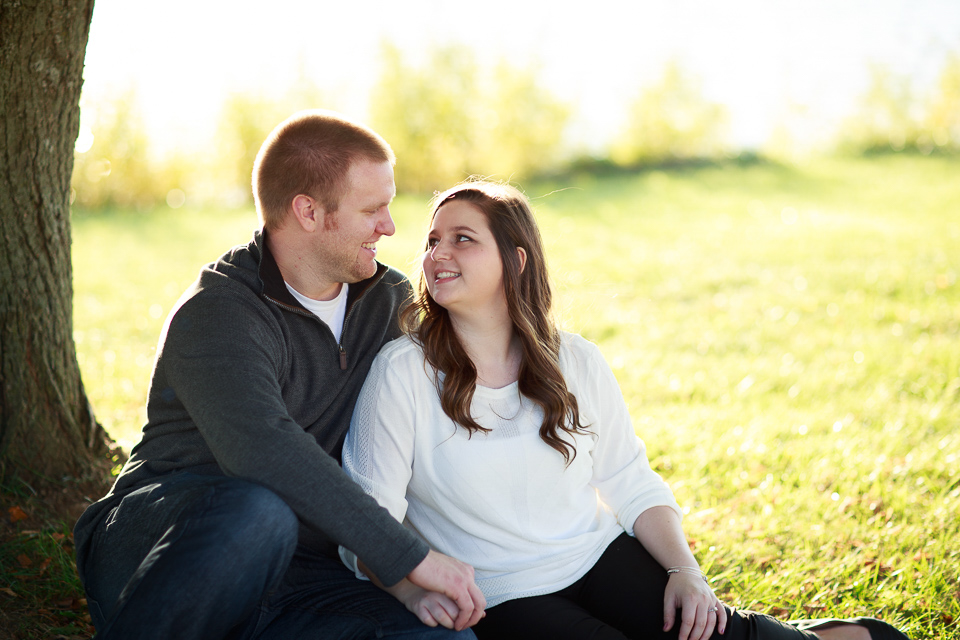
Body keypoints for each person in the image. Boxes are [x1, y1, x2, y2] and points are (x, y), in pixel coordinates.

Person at [339, 180, 911, 640]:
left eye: (462, 238)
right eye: (432, 240)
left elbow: (630, 481)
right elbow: (365, 523)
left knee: (709, 632)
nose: (437, 253)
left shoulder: (576, 360)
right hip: (502, 594)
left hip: (598, 555)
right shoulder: (402, 373)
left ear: (514, 262)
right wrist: (413, 588)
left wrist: (686, 573)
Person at [72, 111, 485, 640]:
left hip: (308, 577)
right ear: (308, 211)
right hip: (182, 551)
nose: (390, 226)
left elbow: (440, 408)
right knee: (257, 511)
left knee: (443, 636)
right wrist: (409, 557)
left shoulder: (387, 301)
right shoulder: (220, 310)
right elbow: (264, 449)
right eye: (372, 209)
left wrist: (400, 580)